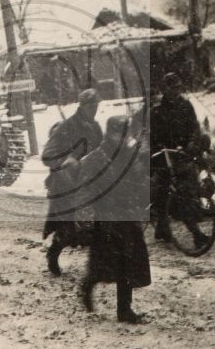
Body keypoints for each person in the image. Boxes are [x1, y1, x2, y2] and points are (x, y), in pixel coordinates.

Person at [77, 115, 151, 324]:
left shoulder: (129, 156)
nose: (125, 138)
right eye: (121, 134)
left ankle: (124, 310)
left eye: (127, 134)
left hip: (127, 215)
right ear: (110, 134)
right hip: (106, 218)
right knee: (103, 265)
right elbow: (84, 192)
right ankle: (87, 285)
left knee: (128, 262)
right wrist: (85, 218)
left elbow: (139, 181)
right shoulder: (95, 159)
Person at [40, 88, 103, 275]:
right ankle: (53, 254)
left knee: (96, 226)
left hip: (89, 183)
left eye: (96, 105)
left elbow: (101, 149)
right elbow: (47, 155)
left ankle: (98, 265)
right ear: (82, 106)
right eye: (90, 105)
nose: (94, 109)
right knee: (68, 229)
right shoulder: (66, 126)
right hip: (65, 185)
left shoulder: (96, 127)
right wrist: (65, 160)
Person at [149, 73, 202, 242]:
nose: (177, 91)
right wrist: (159, 149)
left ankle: (191, 231)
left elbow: (194, 127)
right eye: (173, 88)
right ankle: (187, 232)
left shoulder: (186, 105)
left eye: (179, 87)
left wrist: (192, 142)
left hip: (182, 155)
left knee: (185, 194)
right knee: (163, 194)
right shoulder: (156, 110)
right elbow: (151, 136)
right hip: (163, 157)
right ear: (166, 89)